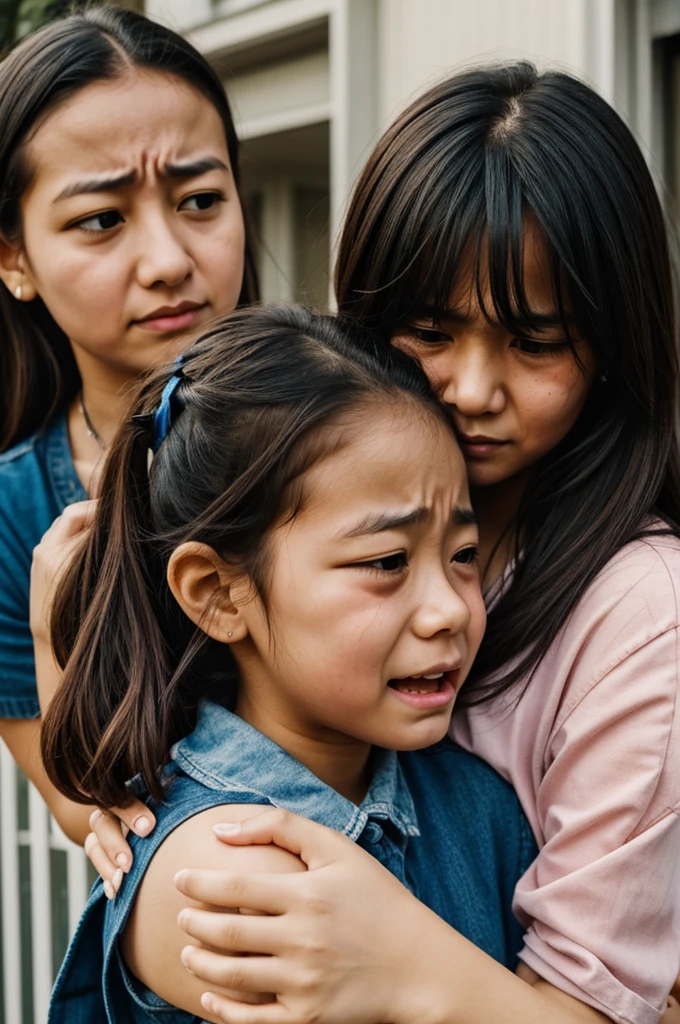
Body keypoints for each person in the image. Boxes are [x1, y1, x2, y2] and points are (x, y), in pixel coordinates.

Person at [150, 64, 680, 1024]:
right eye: (430, 331)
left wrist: (395, 957)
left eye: (534, 342)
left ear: (610, 348)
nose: (470, 390)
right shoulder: (283, 517)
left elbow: (594, 1001)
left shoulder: (640, 614)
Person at [42, 304, 537, 1023]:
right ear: (218, 595)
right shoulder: (219, 869)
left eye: (463, 555)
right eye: (386, 561)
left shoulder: (479, 801)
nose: (450, 610)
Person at [0, 5, 257, 846]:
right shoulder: (15, 513)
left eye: (200, 200)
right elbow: (91, 817)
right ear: (14, 258)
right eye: (102, 219)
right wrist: (54, 626)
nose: (170, 260)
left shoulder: (355, 422)